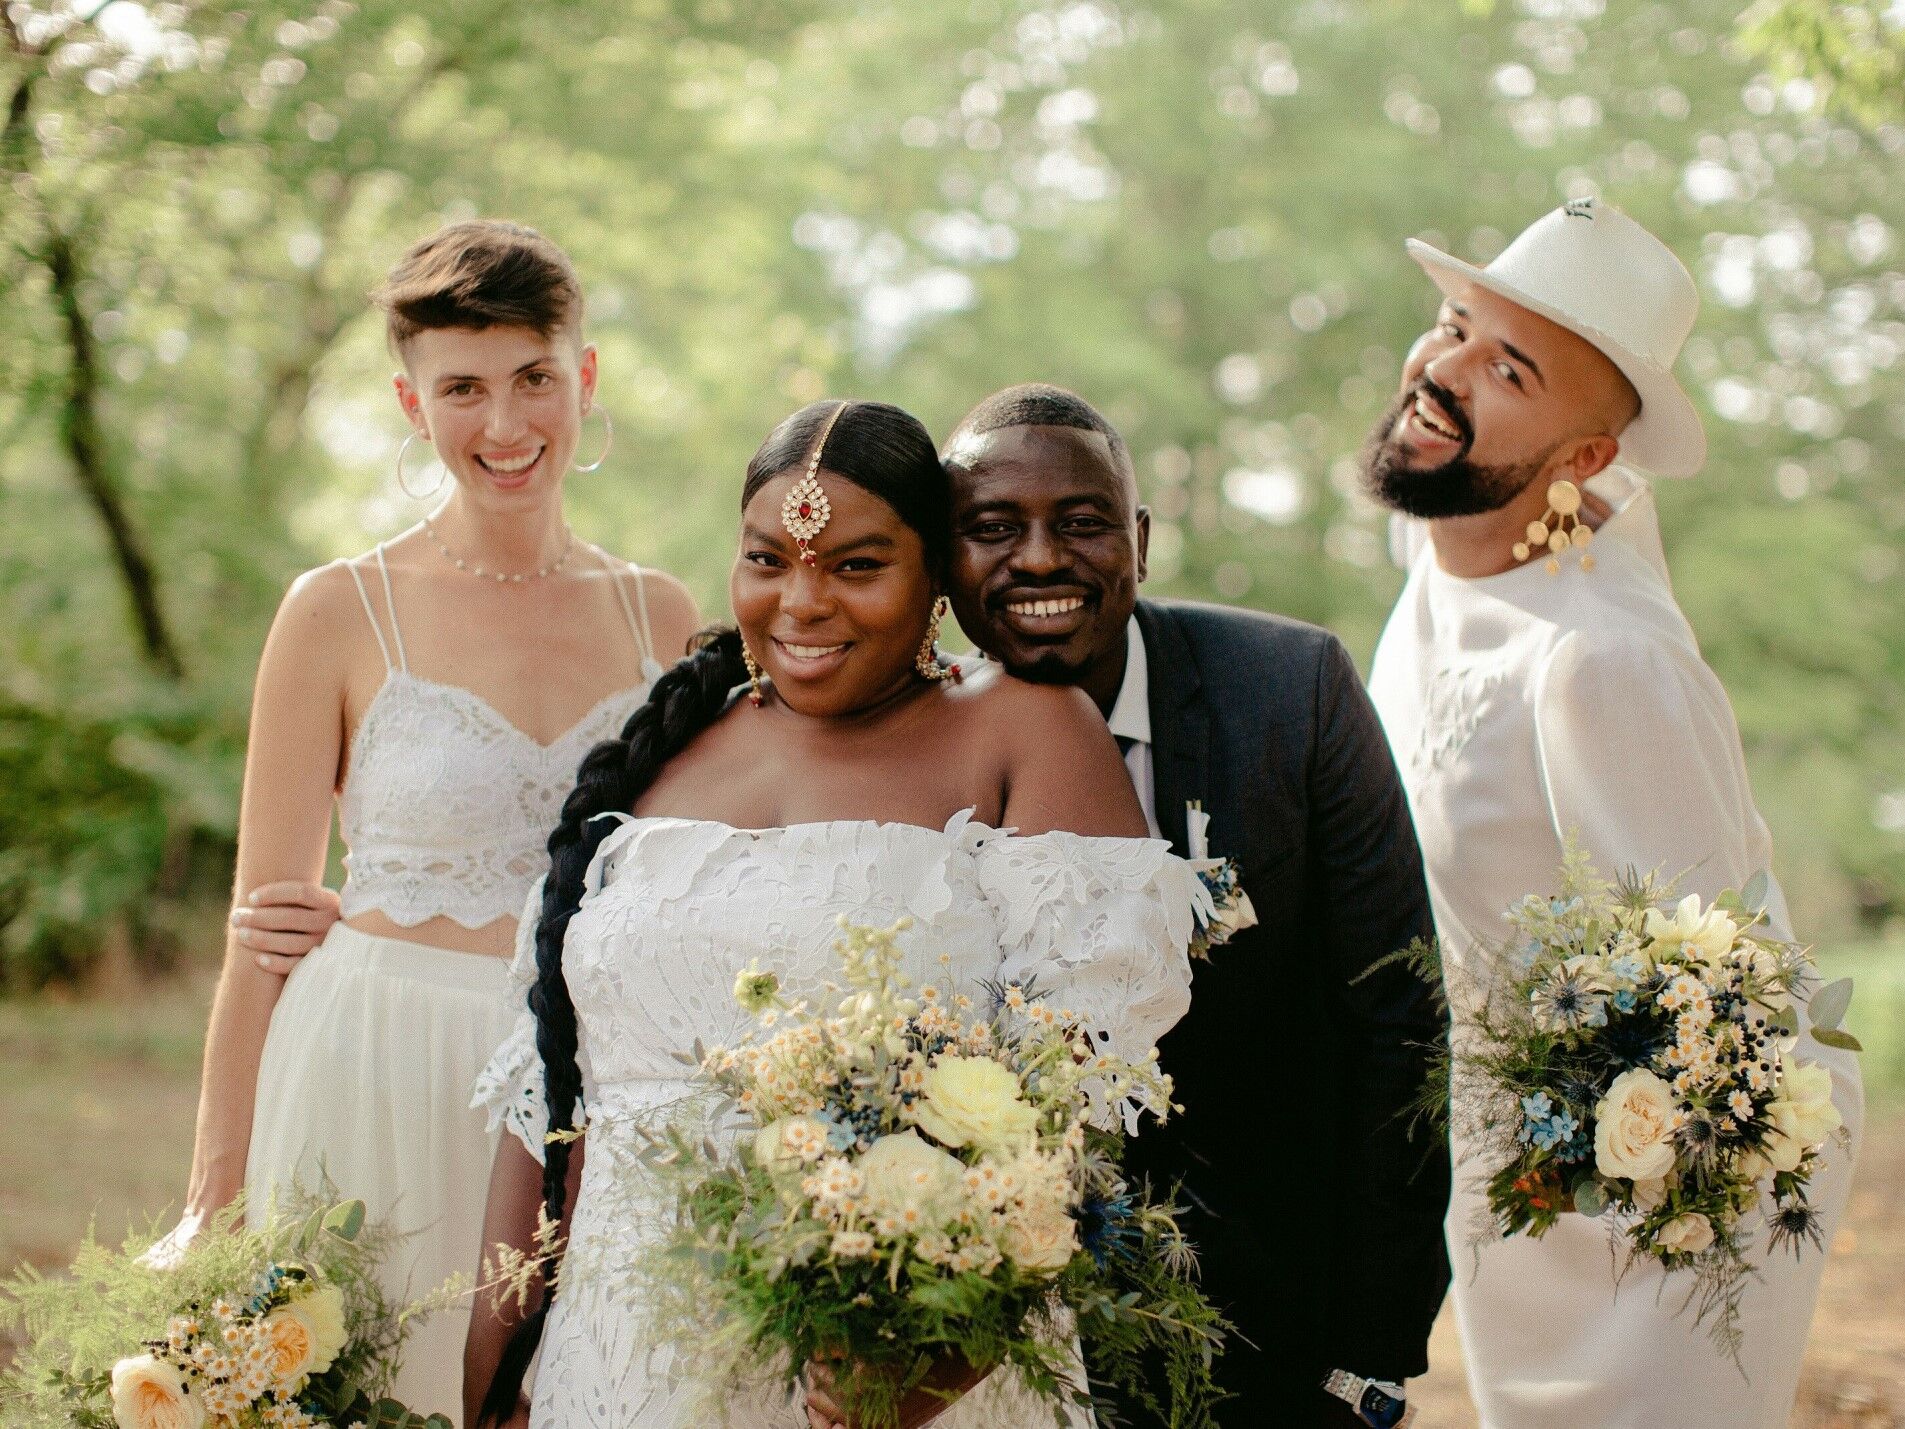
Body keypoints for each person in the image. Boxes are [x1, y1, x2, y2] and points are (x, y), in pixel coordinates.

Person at [463, 399, 1209, 1429]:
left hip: (897, 1360)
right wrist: (492, 1375)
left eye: (856, 565)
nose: (803, 602)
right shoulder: (657, 753)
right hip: (623, 1358)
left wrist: (930, 1362)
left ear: (936, 580)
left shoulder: (1025, 733)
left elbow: (1073, 1102)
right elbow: (539, 1108)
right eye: (769, 560)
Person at [160, 220, 700, 1423]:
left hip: (585, 1090)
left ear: (585, 376)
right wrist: (214, 1194)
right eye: (463, 389)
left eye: (533, 379)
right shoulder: (335, 613)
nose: (505, 427)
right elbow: (262, 932)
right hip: (374, 1064)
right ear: (412, 403)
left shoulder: (660, 619)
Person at [1361, 199, 1864, 1427]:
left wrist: (1608, 1179)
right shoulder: (1435, 548)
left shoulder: (1603, 661)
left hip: (1675, 1198)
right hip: (1515, 1178)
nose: (1445, 372)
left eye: (1509, 367)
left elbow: (1719, 998)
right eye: (1456, 327)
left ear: (1584, 459)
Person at [940, 385, 1451, 1428]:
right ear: (945, 560)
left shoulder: (1289, 691)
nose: (1038, 558)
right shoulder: (898, 734)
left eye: (1080, 523)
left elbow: (1398, 1019)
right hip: (975, 1341)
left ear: (1140, 539)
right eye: (993, 527)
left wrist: (1372, 1356)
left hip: (1263, 1325)